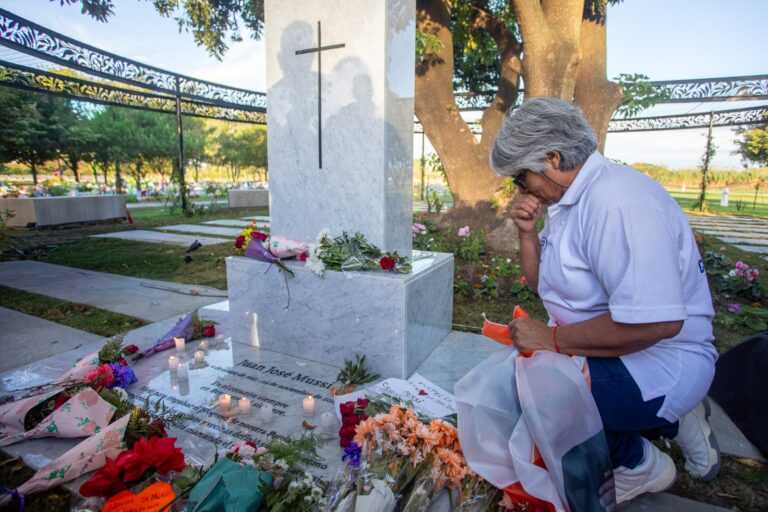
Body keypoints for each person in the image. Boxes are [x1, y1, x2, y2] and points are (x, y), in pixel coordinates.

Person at [490, 98, 720, 503]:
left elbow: (656, 324)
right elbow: (541, 281)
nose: (521, 189)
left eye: (521, 178)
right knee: (520, 378)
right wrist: (527, 232)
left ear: (552, 158)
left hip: (663, 357)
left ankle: (640, 462)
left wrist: (553, 341)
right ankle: (667, 420)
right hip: (618, 348)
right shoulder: (571, 199)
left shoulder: (617, 202)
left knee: (536, 397)